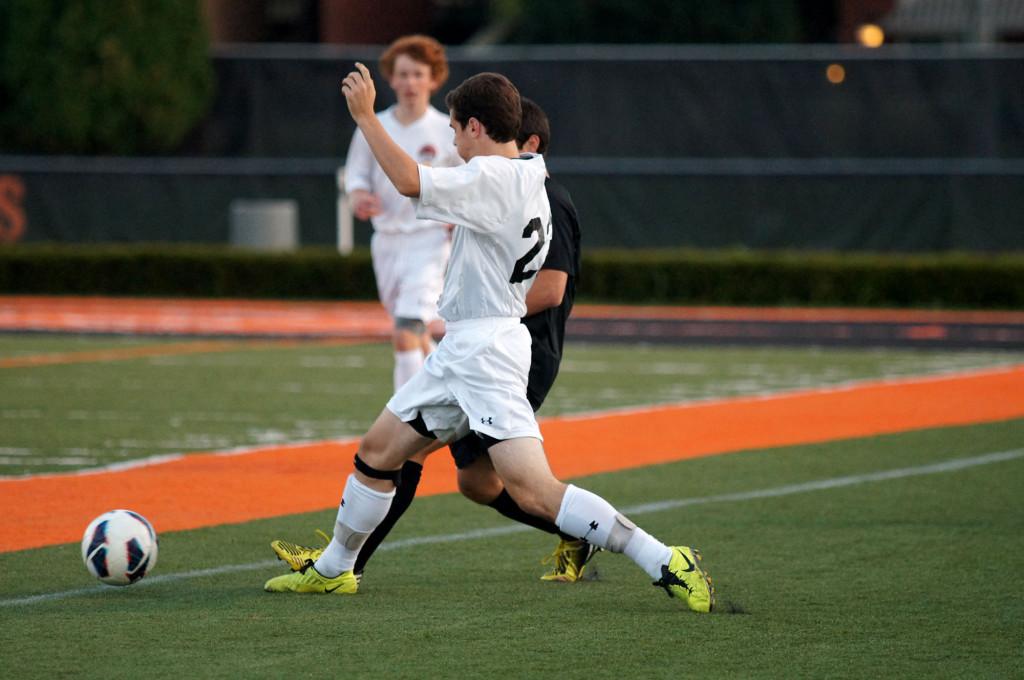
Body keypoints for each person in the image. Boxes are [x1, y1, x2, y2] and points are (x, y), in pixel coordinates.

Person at [263, 65, 714, 613]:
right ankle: (335, 570)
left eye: (455, 129)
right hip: (468, 345)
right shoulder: (529, 174)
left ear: (476, 127)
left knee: (533, 490)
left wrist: (364, 118)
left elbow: (409, 181)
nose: (452, 141)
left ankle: (665, 559)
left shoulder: (493, 178)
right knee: (378, 453)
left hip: (486, 350)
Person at [270, 97, 595, 583]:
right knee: (478, 483)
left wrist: (479, 314)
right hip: (486, 347)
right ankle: (577, 532)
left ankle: (342, 565)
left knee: (417, 455)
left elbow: (550, 290)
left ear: (530, 145)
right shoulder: (507, 191)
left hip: (512, 353)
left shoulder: (549, 198)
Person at [344, 35, 461, 392]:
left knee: (406, 330)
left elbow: (465, 181)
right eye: (403, 74)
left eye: (418, 74)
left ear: (433, 79)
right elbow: (356, 175)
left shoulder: (445, 129)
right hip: (386, 240)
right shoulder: (373, 126)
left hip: (429, 240)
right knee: (414, 331)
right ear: (391, 79)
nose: (410, 82)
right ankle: (453, 385)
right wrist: (359, 196)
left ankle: (407, 420)